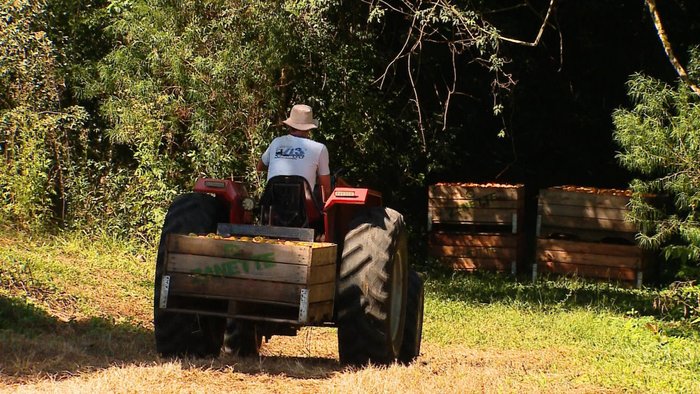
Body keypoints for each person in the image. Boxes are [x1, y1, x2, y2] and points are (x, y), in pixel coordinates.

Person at [257, 104, 331, 202]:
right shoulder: (319, 148)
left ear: (290, 125)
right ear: (309, 128)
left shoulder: (276, 142)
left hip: (272, 205)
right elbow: (325, 189)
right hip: (303, 208)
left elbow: (260, 167)